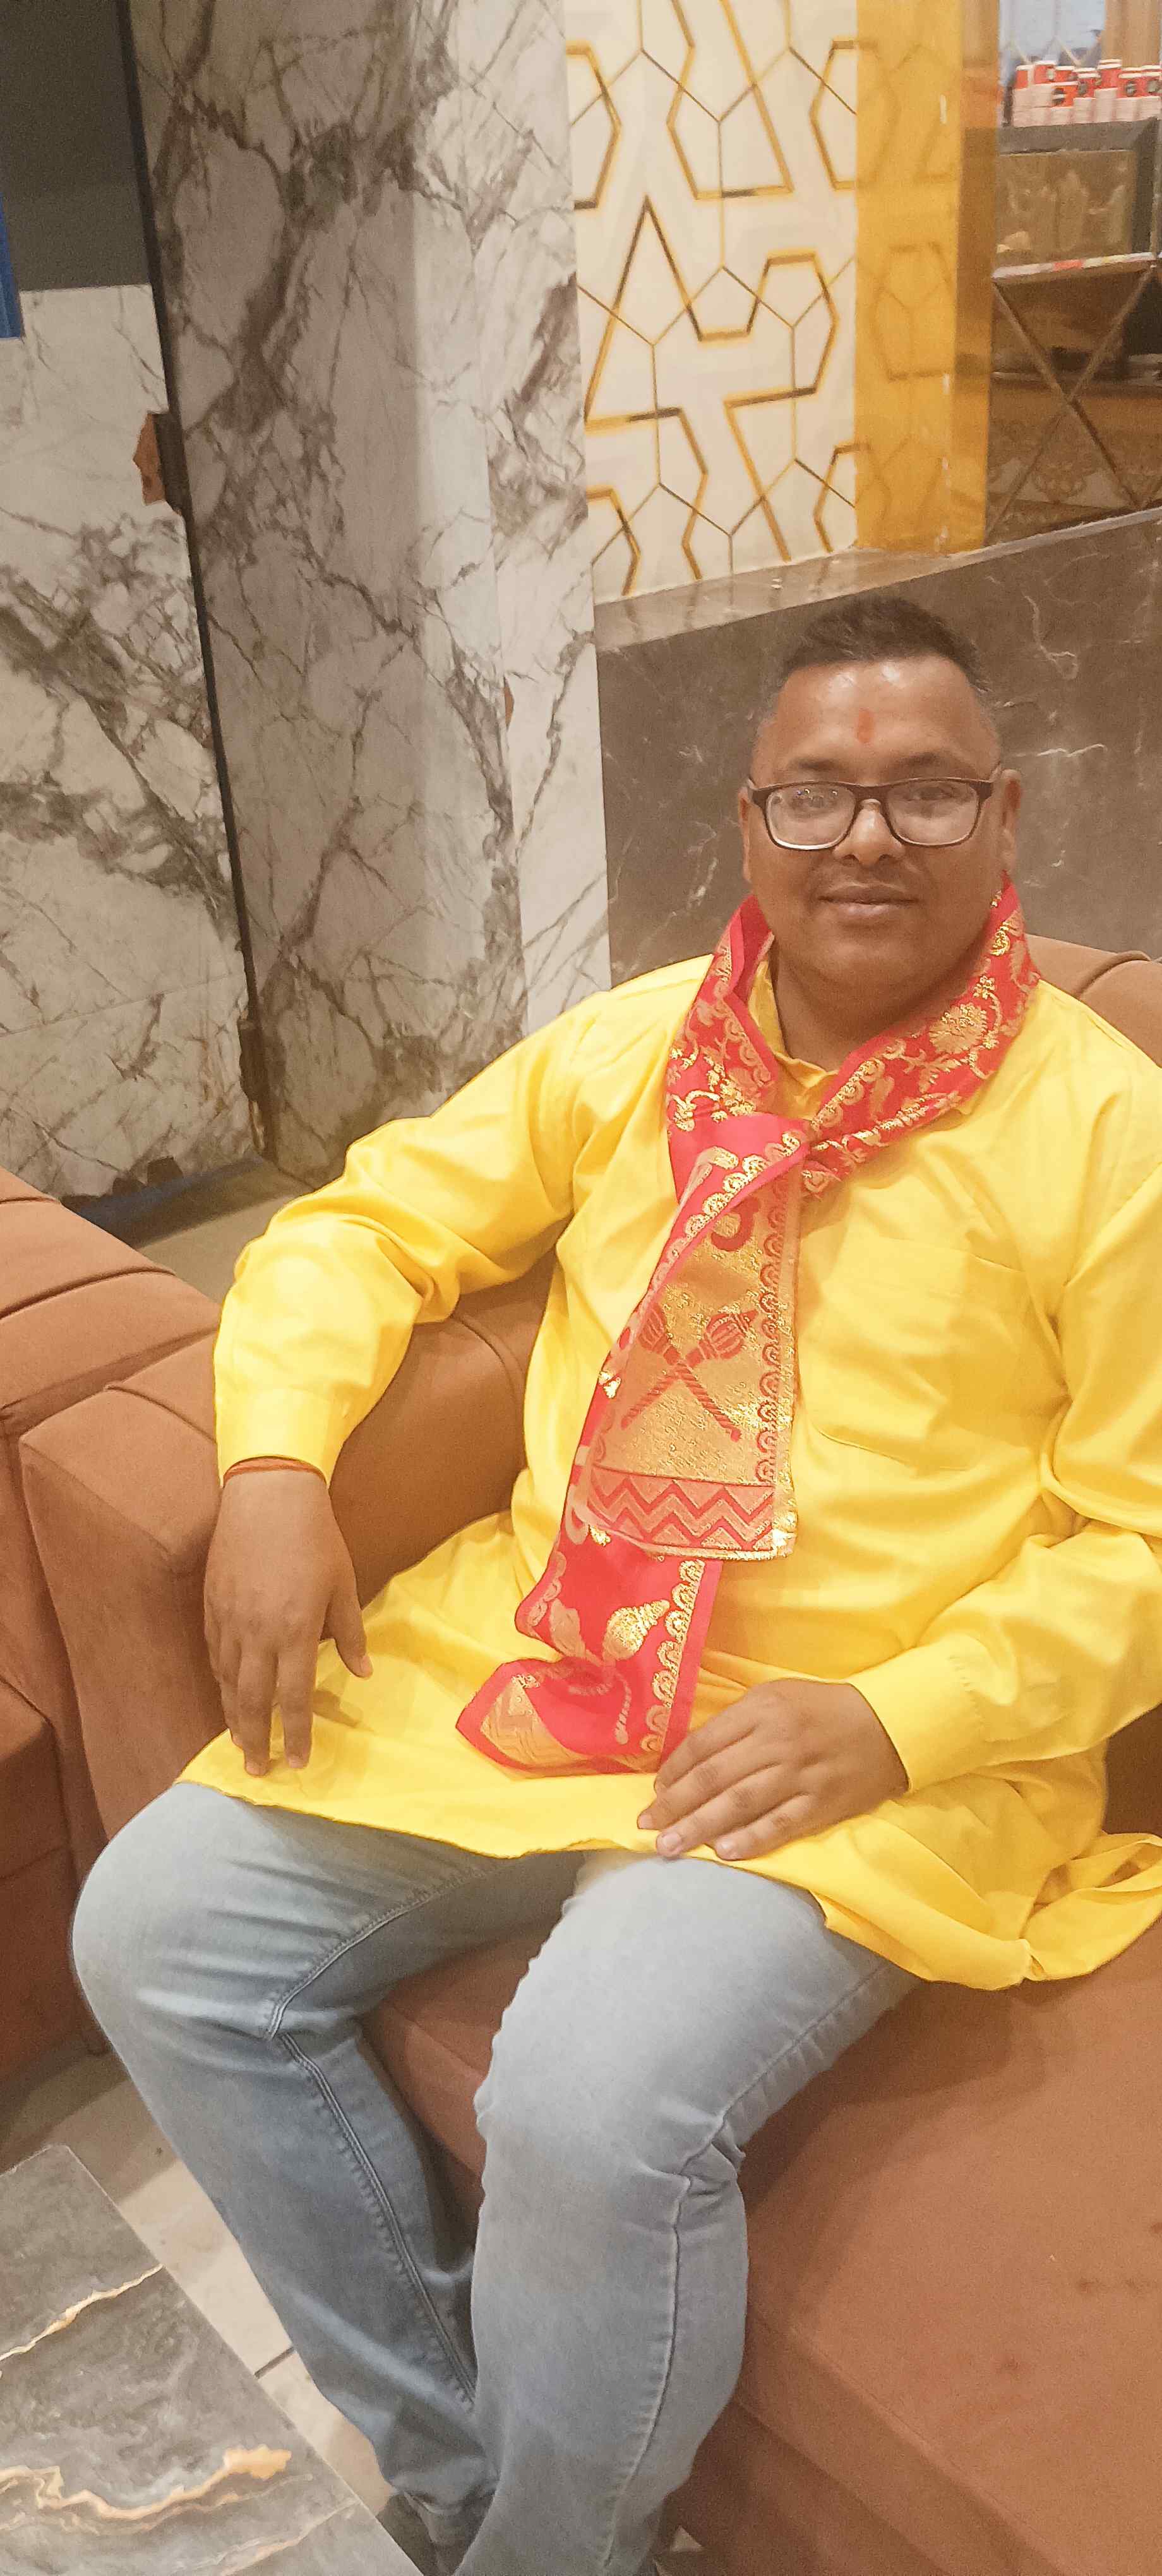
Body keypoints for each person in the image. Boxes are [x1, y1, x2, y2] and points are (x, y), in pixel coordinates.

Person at [73, 593, 1162, 2576]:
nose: (867, 838)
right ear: (747, 823)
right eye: (817, 794)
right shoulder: (637, 1045)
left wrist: (895, 1716)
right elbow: (361, 1228)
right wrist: (272, 1468)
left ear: (1006, 817)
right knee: (154, 1930)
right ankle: (463, 2483)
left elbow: (1144, 1539)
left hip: (864, 1743)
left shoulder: (1106, 1128)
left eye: (925, 793)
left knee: (586, 2104)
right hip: (557, 1658)